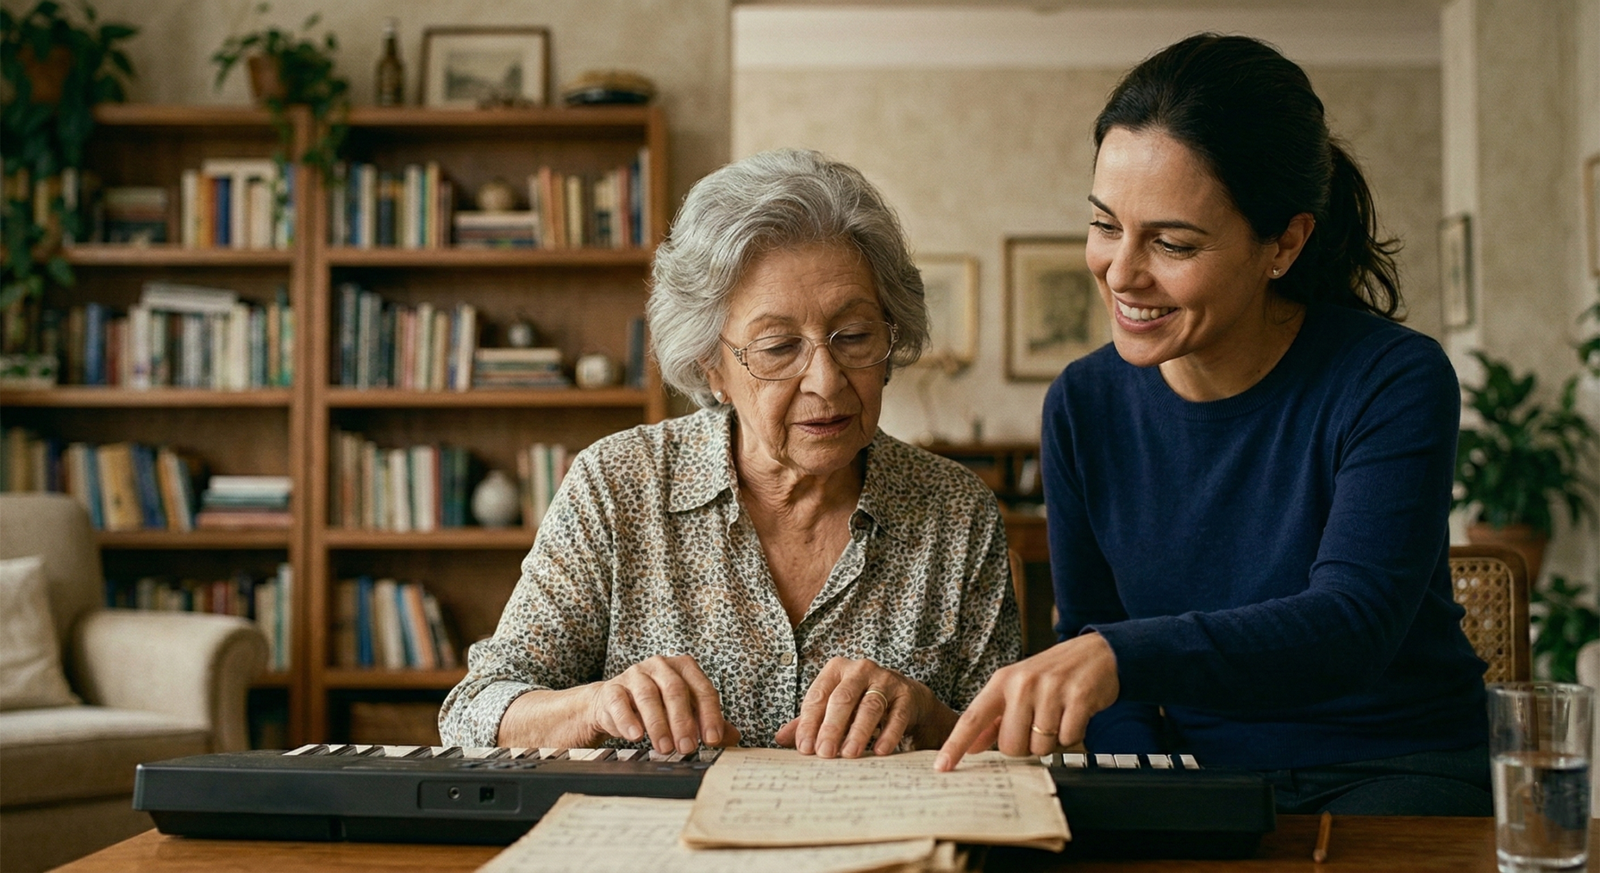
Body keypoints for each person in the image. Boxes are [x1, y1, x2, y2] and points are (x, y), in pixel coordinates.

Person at [938, 34, 1491, 816]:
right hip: (1200, 782)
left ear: (1284, 243)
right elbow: (1097, 629)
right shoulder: (1082, 404)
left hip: (1396, 770)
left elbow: (1354, 622)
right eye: (1105, 224)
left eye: (1172, 242)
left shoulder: (1392, 378)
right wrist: (1142, 779)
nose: (1122, 271)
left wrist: (1117, 655)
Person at [441, 148, 1020, 759]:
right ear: (711, 366)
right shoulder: (617, 488)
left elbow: (1014, 751)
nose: (826, 380)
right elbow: (473, 712)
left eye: (854, 337)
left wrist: (927, 718)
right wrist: (593, 705)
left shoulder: (956, 512)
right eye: (777, 348)